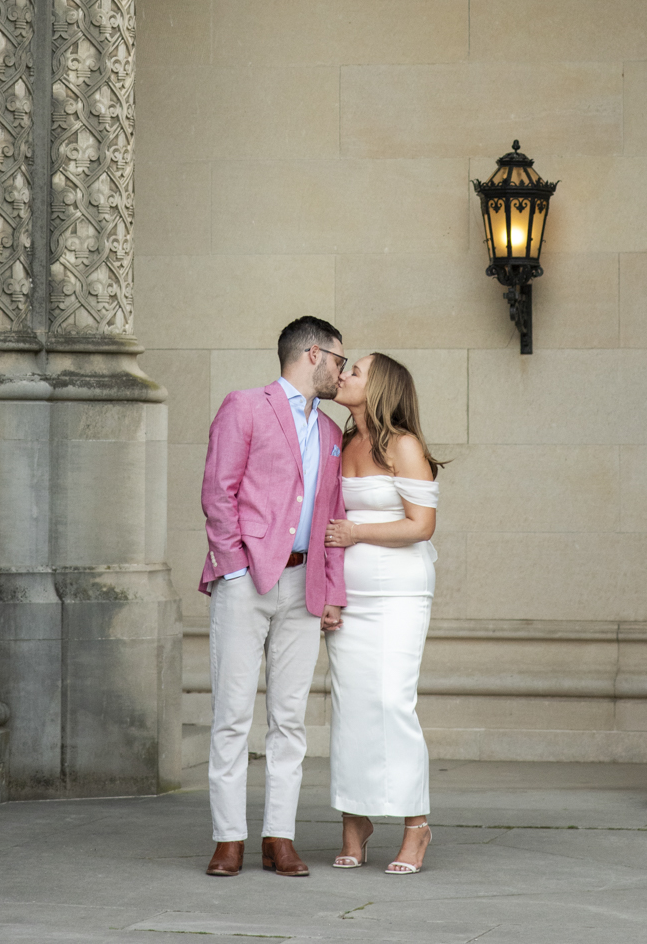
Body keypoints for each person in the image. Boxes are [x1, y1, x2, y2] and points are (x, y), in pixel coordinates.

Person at [199, 317, 349, 879]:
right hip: (246, 582)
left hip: (304, 589)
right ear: (314, 354)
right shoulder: (245, 406)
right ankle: (228, 837)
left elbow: (334, 518)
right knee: (233, 715)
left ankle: (278, 836)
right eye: (339, 357)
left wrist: (330, 591)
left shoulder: (333, 434)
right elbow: (219, 493)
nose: (341, 368)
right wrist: (235, 569)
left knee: (289, 719)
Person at [323, 353, 442, 876]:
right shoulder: (341, 442)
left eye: (356, 369)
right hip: (349, 596)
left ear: (380, 386)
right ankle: (356, 820)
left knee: (392, 700)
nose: (344, 373)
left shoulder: (404, 446)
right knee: (350, 706)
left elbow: (421, 525)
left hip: (399, 595)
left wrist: (356, 532)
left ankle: (416, 825)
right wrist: (329, 593)